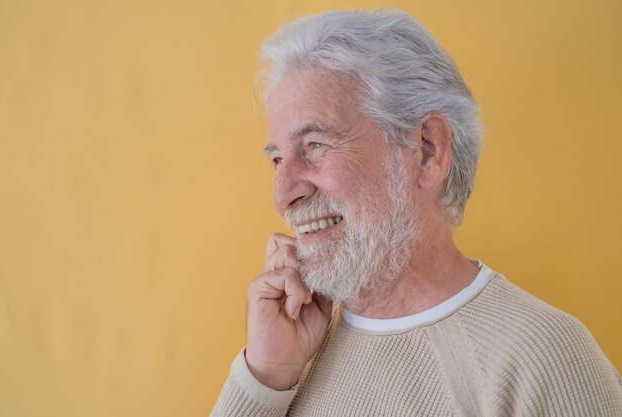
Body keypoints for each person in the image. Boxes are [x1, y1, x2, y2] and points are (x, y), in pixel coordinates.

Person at [211, 9, 622, 417]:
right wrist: (264, 377)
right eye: (278, 159)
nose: (283, 194)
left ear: (427, 150)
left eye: (315, 145)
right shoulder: (289, 354)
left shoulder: (546, 358)